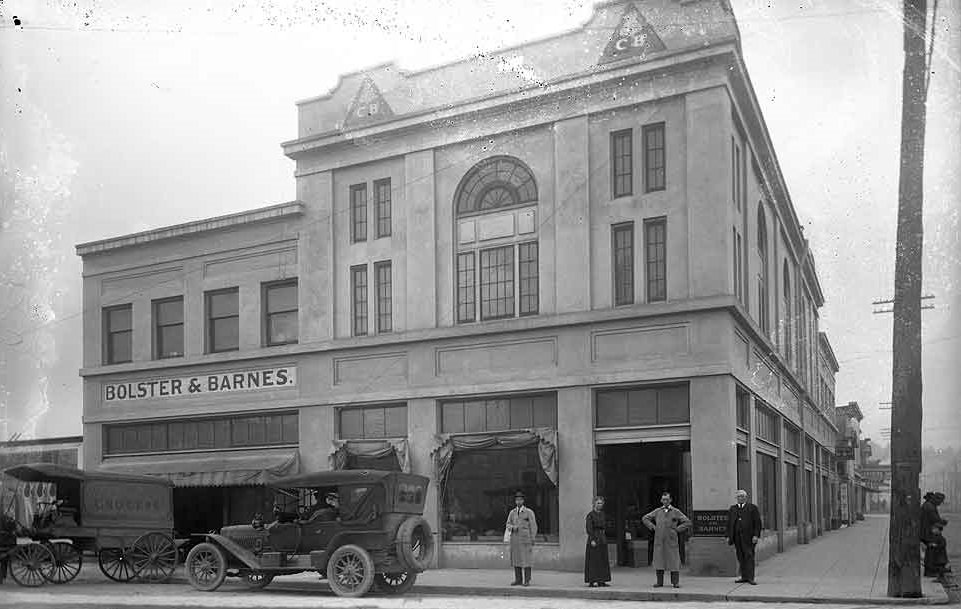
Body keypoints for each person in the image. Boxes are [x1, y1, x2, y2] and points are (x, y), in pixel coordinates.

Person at [642, 492, 691, 589]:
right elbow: (645, 518)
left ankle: (675, 582)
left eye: (667, 499)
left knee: (674, 561)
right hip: (659, 540)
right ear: (661, 500)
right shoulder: (657, 511)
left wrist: (677, 529)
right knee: (659, 561)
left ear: (670, 500)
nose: (665, 501)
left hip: (671, 540)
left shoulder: (675, 511)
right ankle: (659, 582)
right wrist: (653, 527)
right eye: (663, 499)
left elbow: (687, 522)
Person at [726, 489, 762, 585]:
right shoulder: (732, 509)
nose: (740, 498)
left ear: (746, 497)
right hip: (737, 537)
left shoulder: (752, 508)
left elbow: (757, 523)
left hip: (749, 537)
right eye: (738, 497)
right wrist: (728, 536)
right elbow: (729, 523)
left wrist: (756, 535)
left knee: (749, 556)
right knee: (740, 556)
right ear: (736, 498)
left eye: (742, 496)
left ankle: (750, 578)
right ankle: (744, 576)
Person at [505, 490, 537, 587]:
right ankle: (518, 579)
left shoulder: (528, 512)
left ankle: (527, 580)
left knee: (526, 560)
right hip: (515, 539)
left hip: (525, 539)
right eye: (517, 500)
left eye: (520, 500)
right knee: (516, 559)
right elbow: (507, 524)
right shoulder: (512, 512)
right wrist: (512, 527)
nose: (518, 502)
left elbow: (533, 525)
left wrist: (533, 538)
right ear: (515, 501)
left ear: (523, 501)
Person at [584, 496, 611, 587]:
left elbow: (605, 526)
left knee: (602, 559)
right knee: (593, 560)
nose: (600, 505)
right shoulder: (590, 515)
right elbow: (589, 528)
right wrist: (592, 539)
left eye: (601, 503)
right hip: (594, 537)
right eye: (598, 503)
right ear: (594, 504)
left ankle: (602, 581)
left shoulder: (603, 514)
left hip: (602, 538)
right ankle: (592, 581)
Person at [0, 511, 18, 585]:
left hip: (6, 541)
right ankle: (2, 575)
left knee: (3, 560)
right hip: (8, 541)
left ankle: (2, 576)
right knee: (4, 561)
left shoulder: (5, 521)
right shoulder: (11, 522)